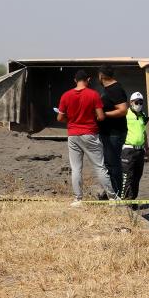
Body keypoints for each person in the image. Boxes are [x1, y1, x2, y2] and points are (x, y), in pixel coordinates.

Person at [56, 69, 118, 206]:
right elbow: (101, 116)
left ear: (75, 80)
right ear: (88, 80)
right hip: (90, 133)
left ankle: (78, 199)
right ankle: (112, 198)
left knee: (76, 168)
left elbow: (59, 117)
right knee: (99, 167)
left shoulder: (66, 96)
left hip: (73, 135)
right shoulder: (93, 95)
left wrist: (71, 120)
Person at [97, 65, 129, 197]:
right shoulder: (109, 89)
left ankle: (115, 194)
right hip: (109, 132)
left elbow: (123, 110)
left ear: (101, 75)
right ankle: (111, 192)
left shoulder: (115, 89)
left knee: (113, 163)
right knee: (109, 163)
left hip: (114, 133)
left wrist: (104, 114)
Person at [120, 91, 149, 200]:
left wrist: (147, 149)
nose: (139, 104)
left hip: (140, 151)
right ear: (131, 103)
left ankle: (132, 200)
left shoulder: (143, 115)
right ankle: (125, 200)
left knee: (137, 177)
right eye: (136, 102)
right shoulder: (125, 114)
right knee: (127, 177)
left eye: (141, 102)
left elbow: (144, 133)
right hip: (128, 150)